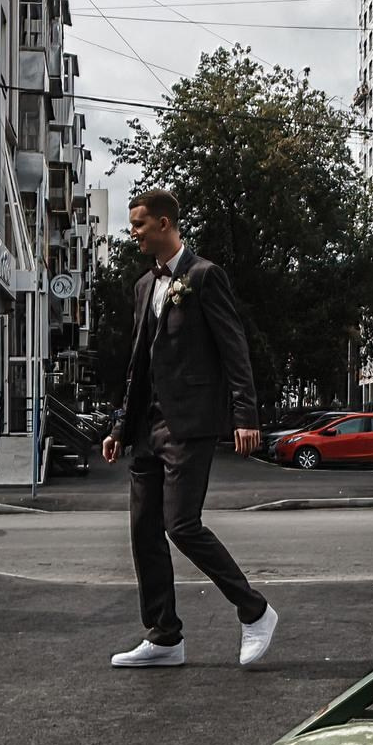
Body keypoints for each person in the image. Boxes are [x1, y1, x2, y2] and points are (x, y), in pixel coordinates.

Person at [101, 186, 276, 669]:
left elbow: (233, 348)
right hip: (146, 429)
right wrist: (120, 426)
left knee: (181, 524)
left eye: (137, 224)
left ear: (163, 223)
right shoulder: (143, 286)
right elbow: (138, 363)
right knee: (142, 530)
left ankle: (255, 610)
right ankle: (163, 637)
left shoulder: (204, 276)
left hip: (190, 425)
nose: (132, 232)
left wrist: (245, 416)